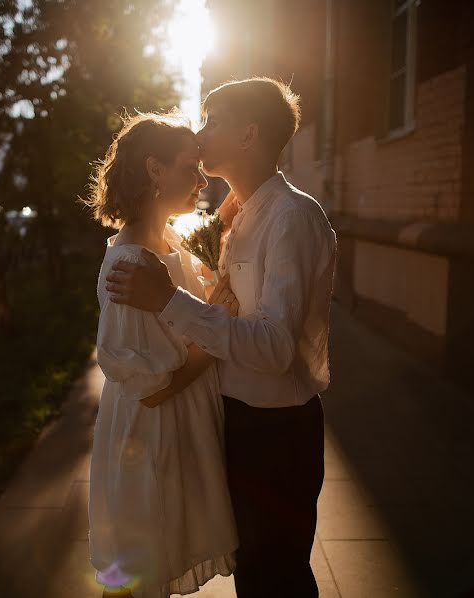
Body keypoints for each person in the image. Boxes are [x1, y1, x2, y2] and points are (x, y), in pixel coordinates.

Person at [104, 78, 337, 597]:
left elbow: (275, 348)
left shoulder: (292, 218)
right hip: (239, 426)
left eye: (212, 120)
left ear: (249, 134)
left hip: (277, 433)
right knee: (255, 575)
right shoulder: (243, 213)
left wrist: (169, 299)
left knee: (275, 579)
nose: (201, 133)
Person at [86, 110, 240, 598]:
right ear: (155, 170)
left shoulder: (169, 241)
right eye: (188, 167)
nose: (199, 180)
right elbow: (150, 389)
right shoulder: (130, 263)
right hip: (149, 439)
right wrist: (221, 336)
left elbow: (191, 284)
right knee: (139, 572)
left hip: (176, 432)